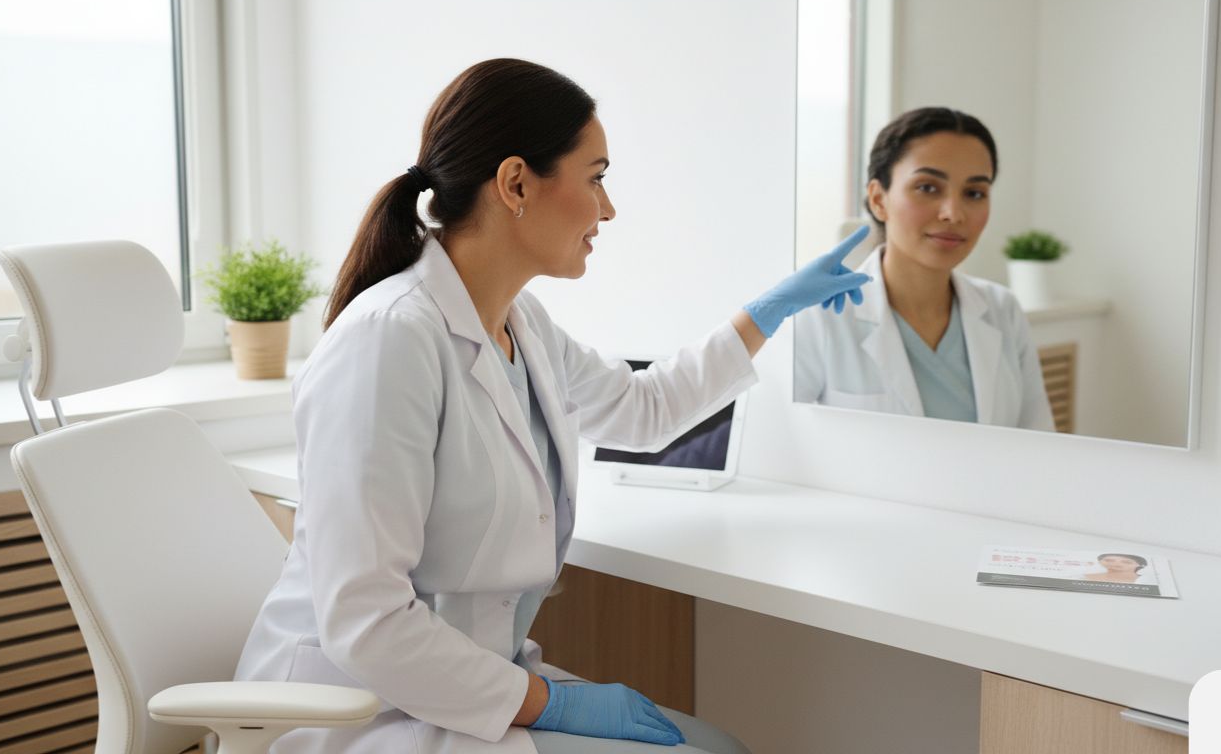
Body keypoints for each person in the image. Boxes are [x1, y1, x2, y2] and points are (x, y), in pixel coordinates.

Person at [233, 58, 869, 754]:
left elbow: (642, 409)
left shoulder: (519, 323)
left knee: (717, 746)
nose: (609, 207)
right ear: (515, 184)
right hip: (357, 710)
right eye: (596, 178)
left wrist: (765, 314)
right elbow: (365, 620)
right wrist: (550, 703)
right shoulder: (390, 341)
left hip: (461, 689)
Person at [794, 107, 1055, 431]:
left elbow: (1039, 445)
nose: (953, 213)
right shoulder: (820, 316)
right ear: (878, 199)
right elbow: (778, 452)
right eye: (928, 187)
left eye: (974, 193)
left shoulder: (1003, 310)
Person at [1083, 553, 1151, 584]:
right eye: (1109, 560)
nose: (1116, 564)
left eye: (1127, 562)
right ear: (1100, 562)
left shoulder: (1147, 580)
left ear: (1141, 565)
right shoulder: (1084, 577)